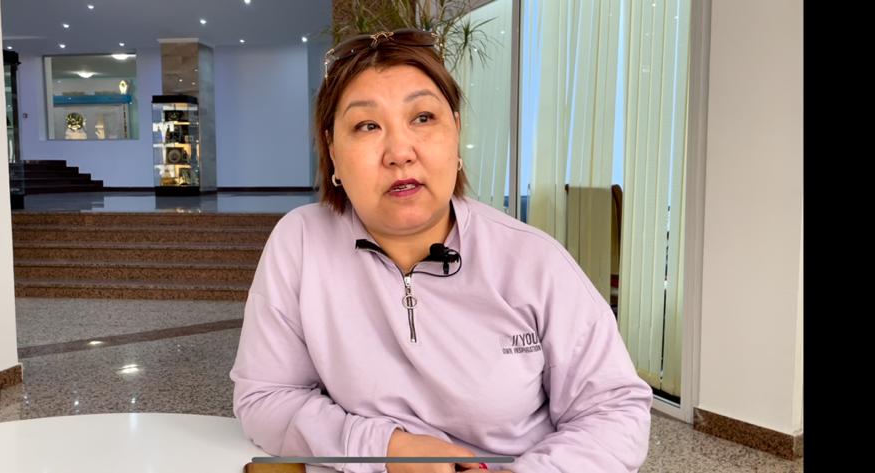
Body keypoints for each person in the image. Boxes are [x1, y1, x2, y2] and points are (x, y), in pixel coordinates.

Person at [230, 28, 652, 473]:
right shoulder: (301, 242)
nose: (399, 153)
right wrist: (386, 449)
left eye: (423, 118)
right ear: (332, 150)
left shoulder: (532, 261)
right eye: (367, 125)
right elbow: (265, 396)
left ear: (456, 133)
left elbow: (614, 409)